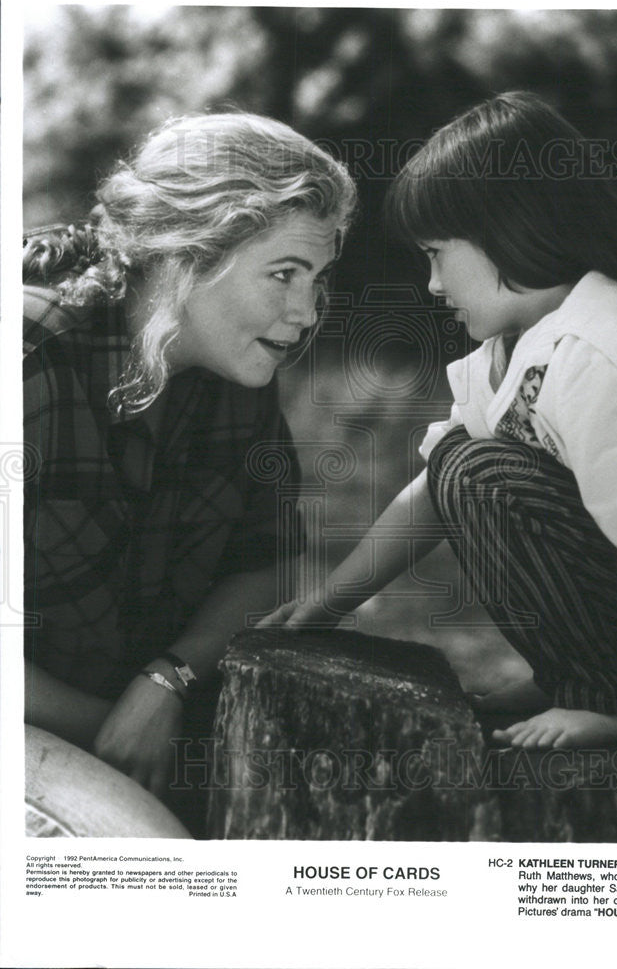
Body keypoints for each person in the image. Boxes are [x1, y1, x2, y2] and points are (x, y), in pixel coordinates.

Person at [260, 91, 617, 844]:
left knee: (484, 472)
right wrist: (328, 603)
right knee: (464, 461)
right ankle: (587, 679)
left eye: (437, 256)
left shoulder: (602, 355)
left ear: (509, 232)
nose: (431, 287)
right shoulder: (518, 351)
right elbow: (434, 490)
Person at [23, 111, 357, 835]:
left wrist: (168, 679)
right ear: (184, 253)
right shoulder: (26, 356)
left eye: (317, 278)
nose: (306, 313)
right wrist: (134, 729)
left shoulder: (236, 365)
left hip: (144, 732)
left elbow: (267, 564)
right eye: (284, 274)